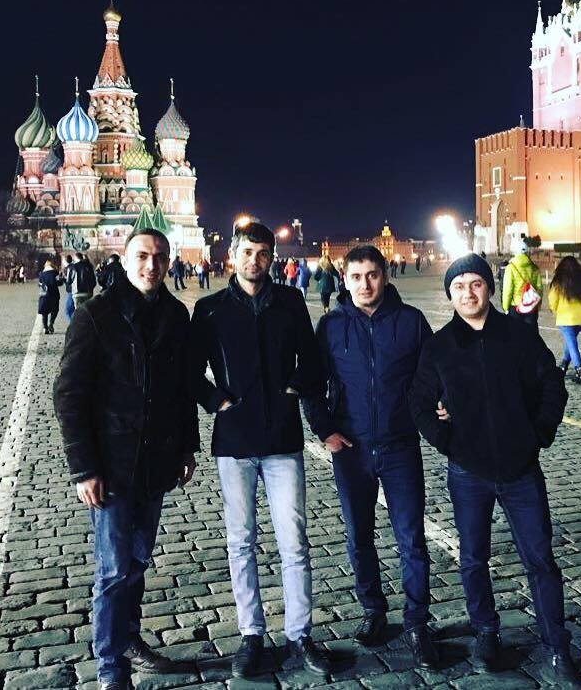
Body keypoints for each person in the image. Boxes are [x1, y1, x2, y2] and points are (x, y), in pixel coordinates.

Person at [408, 254, 579, 684]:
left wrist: (538, 433)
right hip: (469, 473)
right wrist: (449, 442)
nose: (468, 293)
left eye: (476, 284)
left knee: (540, 560)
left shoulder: (518, 336)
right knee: (473, 559)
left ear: (489, 287)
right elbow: (419, 403)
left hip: (521, 470)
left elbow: (552, 385)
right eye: (459, 286)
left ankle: (556, 645)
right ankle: (486, 632)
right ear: (450, 294)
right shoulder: (440, 346)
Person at [53, 228, 200, 690]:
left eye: (159, 257)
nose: (151, 265)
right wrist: (84, 468)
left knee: (137, 561)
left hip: (155, 462)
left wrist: (186, 446)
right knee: (114, 569)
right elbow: (69, 394)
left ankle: (129, 638)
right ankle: (111, 666)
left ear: (169, 260)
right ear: (124, 258)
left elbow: (182, 388)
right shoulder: (96, 314)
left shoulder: (175, 314)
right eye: (142, 256)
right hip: (112, 464)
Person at [188, 221, 330, 680]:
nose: (255, 260)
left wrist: (294, 389)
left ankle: (299, 634)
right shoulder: (210, 309)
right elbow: (189, 371)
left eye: (263, 253)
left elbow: (312, 360)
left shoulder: (290, 302)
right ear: (233, 254)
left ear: (272, 257)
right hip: (234, 441)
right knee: (241, 541)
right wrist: (216, 401)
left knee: (294, 542)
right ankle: (251, 633)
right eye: (247, 252)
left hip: (282, 439)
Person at [304, 245, 439, 669]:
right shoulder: (330, 326)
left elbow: (433, 375)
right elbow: (312, 383)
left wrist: (438, 407)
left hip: (400, 446)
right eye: (357, 277)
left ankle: (417, 622)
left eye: (372, 275)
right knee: (358, 535)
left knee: (411, 538)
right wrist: (325, 429)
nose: (365, 285)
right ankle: (373, 609)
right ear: (344, 280)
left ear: (385, 276)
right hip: (352, 449)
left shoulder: (411, 322)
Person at [548, 256, 581, 385]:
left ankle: (579, 371)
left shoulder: (558, 281)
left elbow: (552, 300)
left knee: (572, 345)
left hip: (564, 318)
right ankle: (563, 367)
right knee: (570, 343)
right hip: (580, 319)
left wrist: (555, 311)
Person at [501, 243, 543, 328]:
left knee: (515, 334)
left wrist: (505, 307)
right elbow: (540, 289)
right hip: (531, 306)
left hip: (515, 307)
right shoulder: (534, 267)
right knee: (531, 333)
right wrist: (537, 306)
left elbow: (508, 290)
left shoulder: (511, 268)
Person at [38, 259, 64, 334]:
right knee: (55, 310)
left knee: (44, 312)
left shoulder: (41, 274)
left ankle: (45, 328)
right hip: (54, 294)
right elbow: (59, 283)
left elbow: (39, 284)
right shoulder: (55, 273)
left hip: (44, 295)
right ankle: (51, 323)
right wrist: (61, 279)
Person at [63, 254, 76, 321]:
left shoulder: (68, 268)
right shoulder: (74, 266)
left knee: (68, 310)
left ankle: (73, 324)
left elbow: (68, 281)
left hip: (71, 291)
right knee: (73, 309)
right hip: (75, 290)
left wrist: (63, 279)